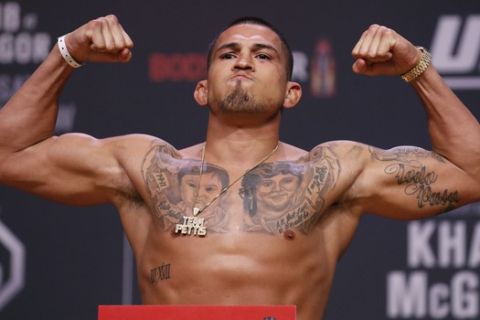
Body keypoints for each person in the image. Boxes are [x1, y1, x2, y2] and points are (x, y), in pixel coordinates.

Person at [0, 14, 479, 320]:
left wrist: (416, 66)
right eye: (228, 54)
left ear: (292, 92)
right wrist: (67, 53)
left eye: (262, 55)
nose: (243, 61)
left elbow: (473, 172)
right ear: (202, 89)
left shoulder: (331, 173)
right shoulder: (147, 166)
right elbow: (10, 154)